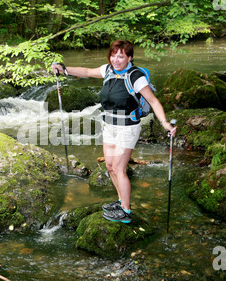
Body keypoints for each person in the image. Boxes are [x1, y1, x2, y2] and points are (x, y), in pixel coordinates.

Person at [51, 40, 176, 223]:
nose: (116, 60)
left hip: (127, 127)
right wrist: (64, 69)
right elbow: (86, 72)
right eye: (113, 55)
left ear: (129, 58)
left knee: (119, 168)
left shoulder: (136, 76)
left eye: (121, 56)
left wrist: (164, 122)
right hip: (109, 125)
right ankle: (120, 201)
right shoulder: (108, 70)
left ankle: (126, 210)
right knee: (109, 166)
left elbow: (154, 101)